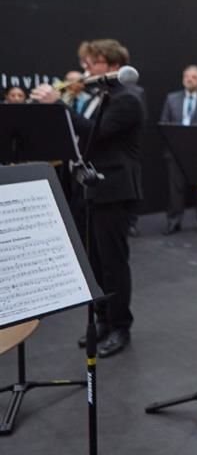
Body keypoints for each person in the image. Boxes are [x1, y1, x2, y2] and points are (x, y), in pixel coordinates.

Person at [31, 39, 146, 358]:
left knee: (113, 263)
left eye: (92, 63)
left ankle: (120, 325)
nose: (86, 69)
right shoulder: (103, 94)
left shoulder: (128, 99)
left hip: (114, 189)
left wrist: (59, 104)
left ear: (111, 65)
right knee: (94, 260)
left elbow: (96, 134)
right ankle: (103, 319)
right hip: (92, 187)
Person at [158, 65, 197, 235]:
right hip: (175, 152)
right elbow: (164, 123)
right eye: (186, 76)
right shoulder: (171, 99)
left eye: (193, 77)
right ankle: (174, 221)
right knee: (175, 189)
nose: (189, 79)